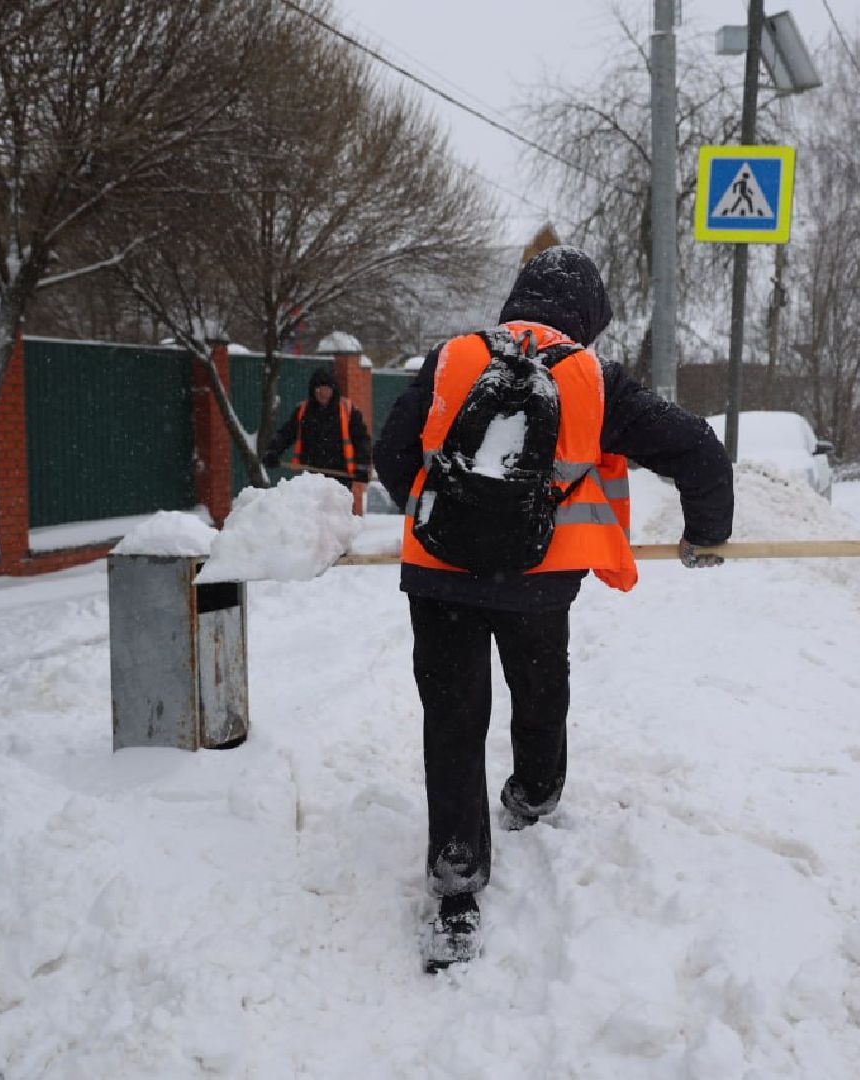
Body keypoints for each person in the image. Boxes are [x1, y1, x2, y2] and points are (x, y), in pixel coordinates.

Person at [373, 245, 734, 972]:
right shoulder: (592, 377)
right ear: (589, 318)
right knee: (538, 685)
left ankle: (454, 892)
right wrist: (704, 533)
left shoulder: (453, 358)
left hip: (439, 576)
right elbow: (697, 448)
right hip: (538, 579)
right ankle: (533, 793)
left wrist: (449, 508)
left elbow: (391, 455)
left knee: (452, 720)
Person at [262, 367, 372, 514]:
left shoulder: (348, 411)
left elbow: (361, 439)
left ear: (333, 390)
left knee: (336, 521)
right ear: (313, 390)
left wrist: (362, 465)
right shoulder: (303, 411)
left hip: (341, 478)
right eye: (319, 389)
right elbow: (286, 434)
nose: (323, 394)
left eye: (327, 389)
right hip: (311, 478)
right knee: (313, 521)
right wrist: (273, 451)